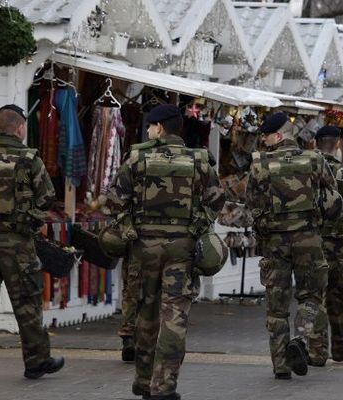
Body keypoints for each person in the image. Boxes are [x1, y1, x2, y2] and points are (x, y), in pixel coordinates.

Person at [109, 104, 225, 400]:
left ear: (159, 128)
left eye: (149, 127)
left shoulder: (136, 158)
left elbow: (115, 199)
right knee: (174, 318)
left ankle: (143, 380)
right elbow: (216, 200)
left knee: (146, 315)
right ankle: (164, 386)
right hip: (182, 250)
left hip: (143, 250)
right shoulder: (200, 160)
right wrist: (198, 222)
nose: (147, 132)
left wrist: (131, 225)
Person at [0, 104, 64, 383]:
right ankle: (36, 362)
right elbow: (47, 196)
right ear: (20, 128)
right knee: (27, 302)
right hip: (17, 242)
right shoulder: (28, 158)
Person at [246, 112, 341, 380]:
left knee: (276, 306)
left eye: (265, 136)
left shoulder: (259, 164)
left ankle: (280, 365)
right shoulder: (314, 160)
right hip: (308, 238)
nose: (263, 141)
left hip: (274, 241)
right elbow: (334, 199)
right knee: (311, 296)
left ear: (277, 136)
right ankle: (299, 340)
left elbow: (252, 203)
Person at [309, 125, 343, 366]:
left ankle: (316, 350)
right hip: (339, 247)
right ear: (338, 144)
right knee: (338, 298)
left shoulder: (304, 170)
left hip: (310, 245)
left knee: (314, 298)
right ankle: (341, 347)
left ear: (316, 143)